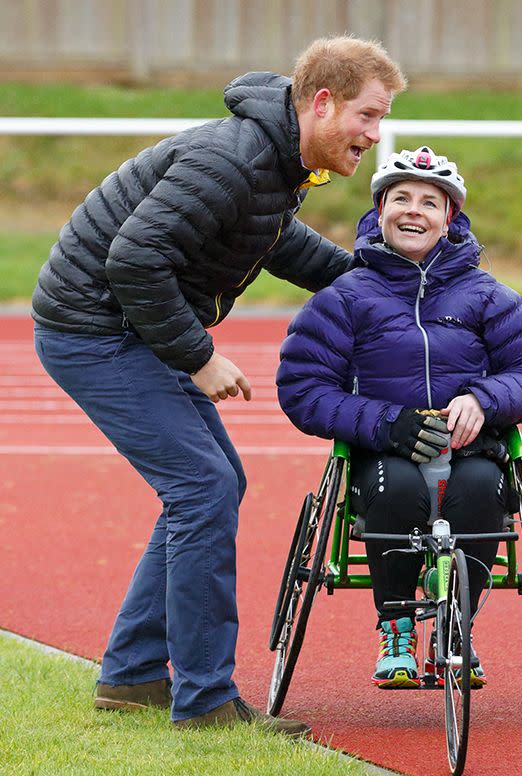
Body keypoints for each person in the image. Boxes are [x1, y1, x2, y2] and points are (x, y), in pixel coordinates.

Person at [31, 36, 406, 733]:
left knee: (213, 484)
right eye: (367, 116)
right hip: (94, 330)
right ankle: (205, 700)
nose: (373, 135)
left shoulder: (272, 163)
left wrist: (372, 280)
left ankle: (134, 672)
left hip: (127, 328)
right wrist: (199, 357)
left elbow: (275, 240)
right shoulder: (229, 162)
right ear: (321, 105)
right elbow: (135, 260)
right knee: (202, 487)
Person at [277, 145, 522, 689]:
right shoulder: (345, 298)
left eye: (430, 202)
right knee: (397, 488)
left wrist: (484, 399)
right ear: (379, 211)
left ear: (449, 218)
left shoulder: (486, 295)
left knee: (480, 487)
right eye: (400, 198)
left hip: (470, 451)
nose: (414, 211)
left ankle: (457, 631)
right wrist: (386, 423)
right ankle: (398, 630)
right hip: (384, 456)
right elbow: (303, 388)